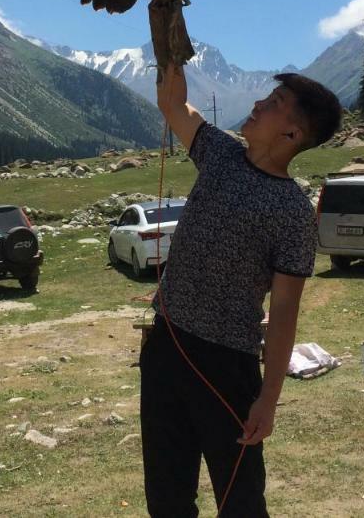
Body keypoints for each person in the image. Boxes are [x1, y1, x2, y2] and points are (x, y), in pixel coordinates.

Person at [140, 63, 342, 517]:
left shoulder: (292, 212)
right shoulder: (219, 151)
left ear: (292, 134)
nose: (257, 105)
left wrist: (268, 399)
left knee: (241, 502)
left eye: (273, 105)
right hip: (165, 347)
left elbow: (286, 311)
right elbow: (172, 103)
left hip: (227, 367)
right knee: (167, 501)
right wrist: (166, 13)